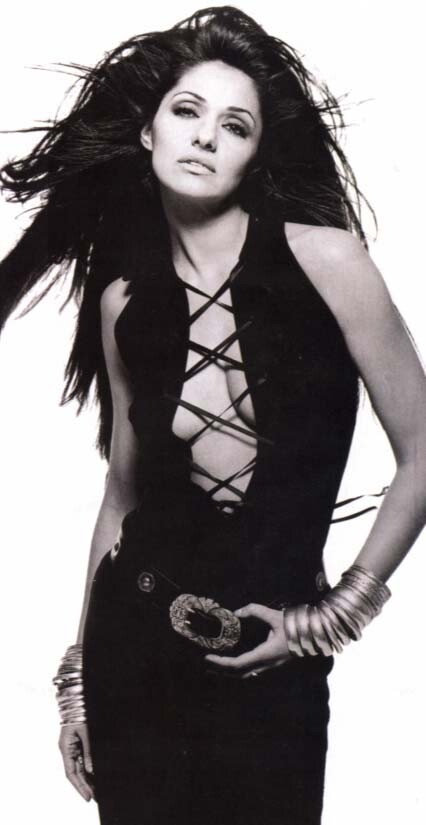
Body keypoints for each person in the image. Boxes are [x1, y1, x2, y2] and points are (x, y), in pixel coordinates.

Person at [1, 6, 425, 824]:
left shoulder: (328, 261)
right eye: (187, 111)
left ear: (255, 154)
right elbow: (122, 496)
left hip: (274, 665)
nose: (205, 136)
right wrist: (80, 679)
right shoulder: (123, 301)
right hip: (134, 648)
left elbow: (422, 452)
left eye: (235, 125)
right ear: (148, 133)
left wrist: (333, 617)